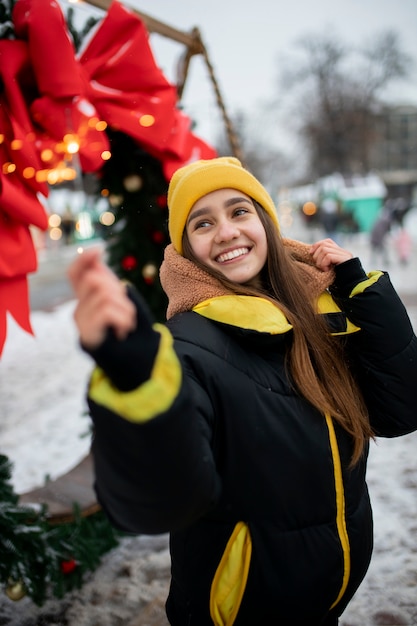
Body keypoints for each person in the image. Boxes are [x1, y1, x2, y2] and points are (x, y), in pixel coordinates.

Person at [68, 157, 417, 626]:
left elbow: (401, 411)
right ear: (187, 248)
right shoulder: (188, 348)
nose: (227, 231)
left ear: (266, 223)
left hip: (328, 599)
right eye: (203, 223)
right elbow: (161, 501)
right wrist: (134, 380)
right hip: (239, 611)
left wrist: (366, 294)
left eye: (239, 212)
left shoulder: (318, 314)